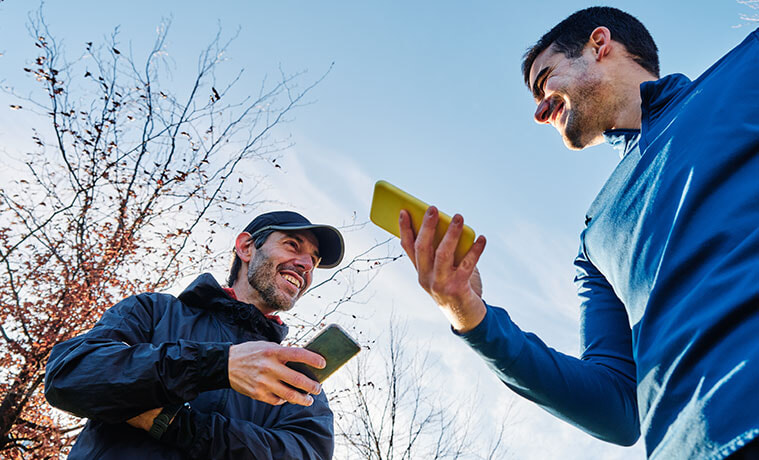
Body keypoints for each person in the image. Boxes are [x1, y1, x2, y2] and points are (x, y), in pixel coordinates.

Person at [399, 6, 758, 460]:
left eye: (545, 79)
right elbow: (617, 407)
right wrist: (472, 318)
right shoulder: (595, 235)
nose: (539, 111)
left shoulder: (744, 73)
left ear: (599, 44)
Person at [45, 211, 345, 460]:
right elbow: (71, 375)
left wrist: (180, 426)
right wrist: (216, 365)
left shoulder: (297, 378)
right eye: (293, 245)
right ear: (246, 247)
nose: (306, 264)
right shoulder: (156, 311)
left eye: (314, 261)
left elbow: (306, 454)